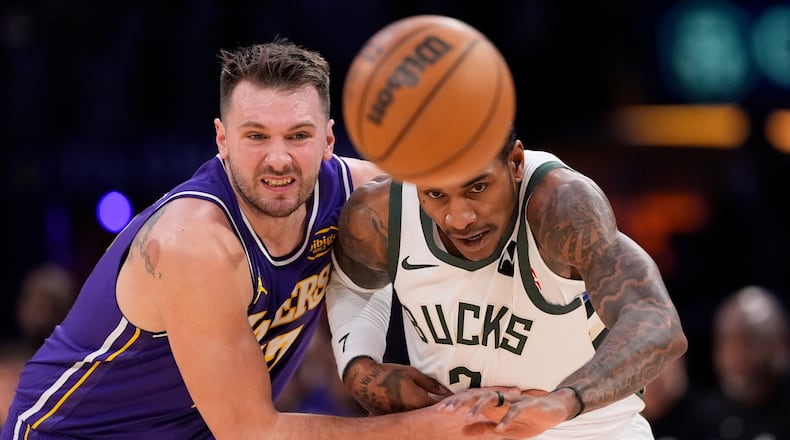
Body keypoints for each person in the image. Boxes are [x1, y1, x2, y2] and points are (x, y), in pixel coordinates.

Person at [1, 39, 503, 440]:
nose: (279, 158)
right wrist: (432, 428)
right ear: (222, 140)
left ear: (328, 140)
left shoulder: (358, 195)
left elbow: (484, 184)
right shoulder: (194, 245)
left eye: (298, 136)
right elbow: (252, 431)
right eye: (257, 136)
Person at [325, 130, 688, 439]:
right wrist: (358, 367)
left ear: (515, 163)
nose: (460, 217)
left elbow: (658, 324)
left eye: (477, 187)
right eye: (436, 194)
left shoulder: (561, 204)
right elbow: (354, 284)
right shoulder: (379, 211)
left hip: (587, 429)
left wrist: (560, 402)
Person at [705, 285, 790, 439]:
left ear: (783, 341)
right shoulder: (704, 419)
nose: (737, 352)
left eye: (751, 339)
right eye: (727, 340)